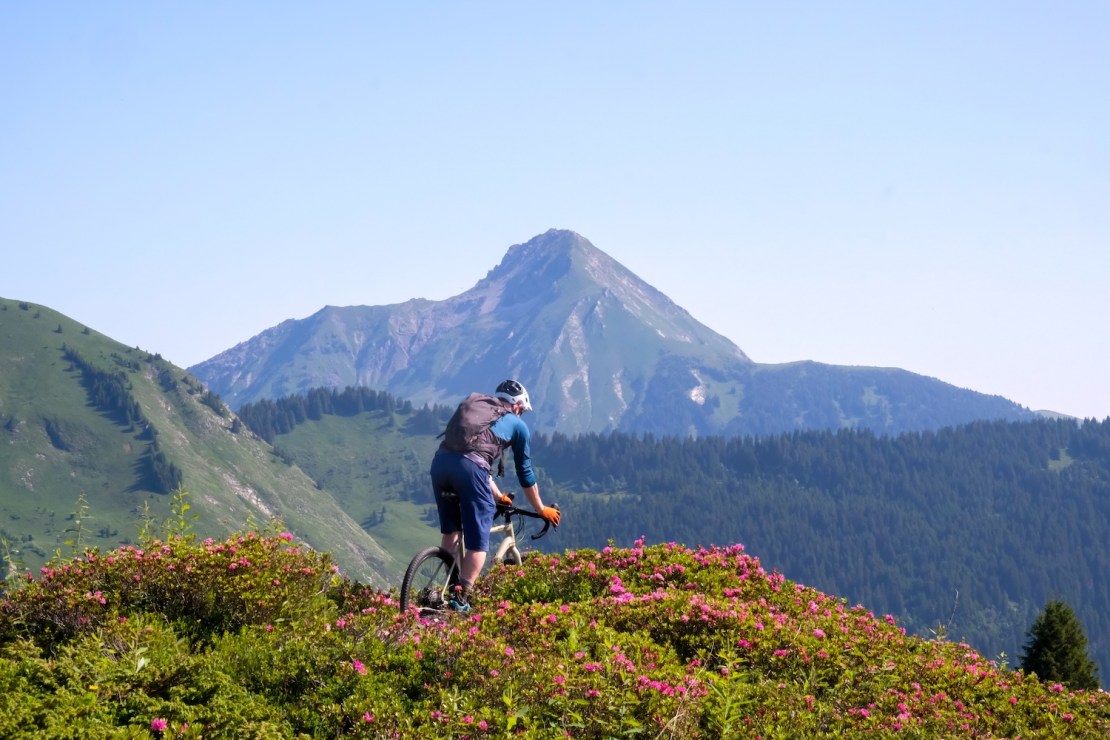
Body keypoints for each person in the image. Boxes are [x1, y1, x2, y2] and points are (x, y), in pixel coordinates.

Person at [430, 379, 561, 612]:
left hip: (440, 464)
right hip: (469, 470)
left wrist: (499, 495)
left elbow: (474, 458)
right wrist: (541, 509)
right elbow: (525, 474)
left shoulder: (481, 410)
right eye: (522, 410)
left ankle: (439, 589)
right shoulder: (518, 425)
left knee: (451, 531)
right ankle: (462, 599)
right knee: (478, 542)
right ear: (518, 406)